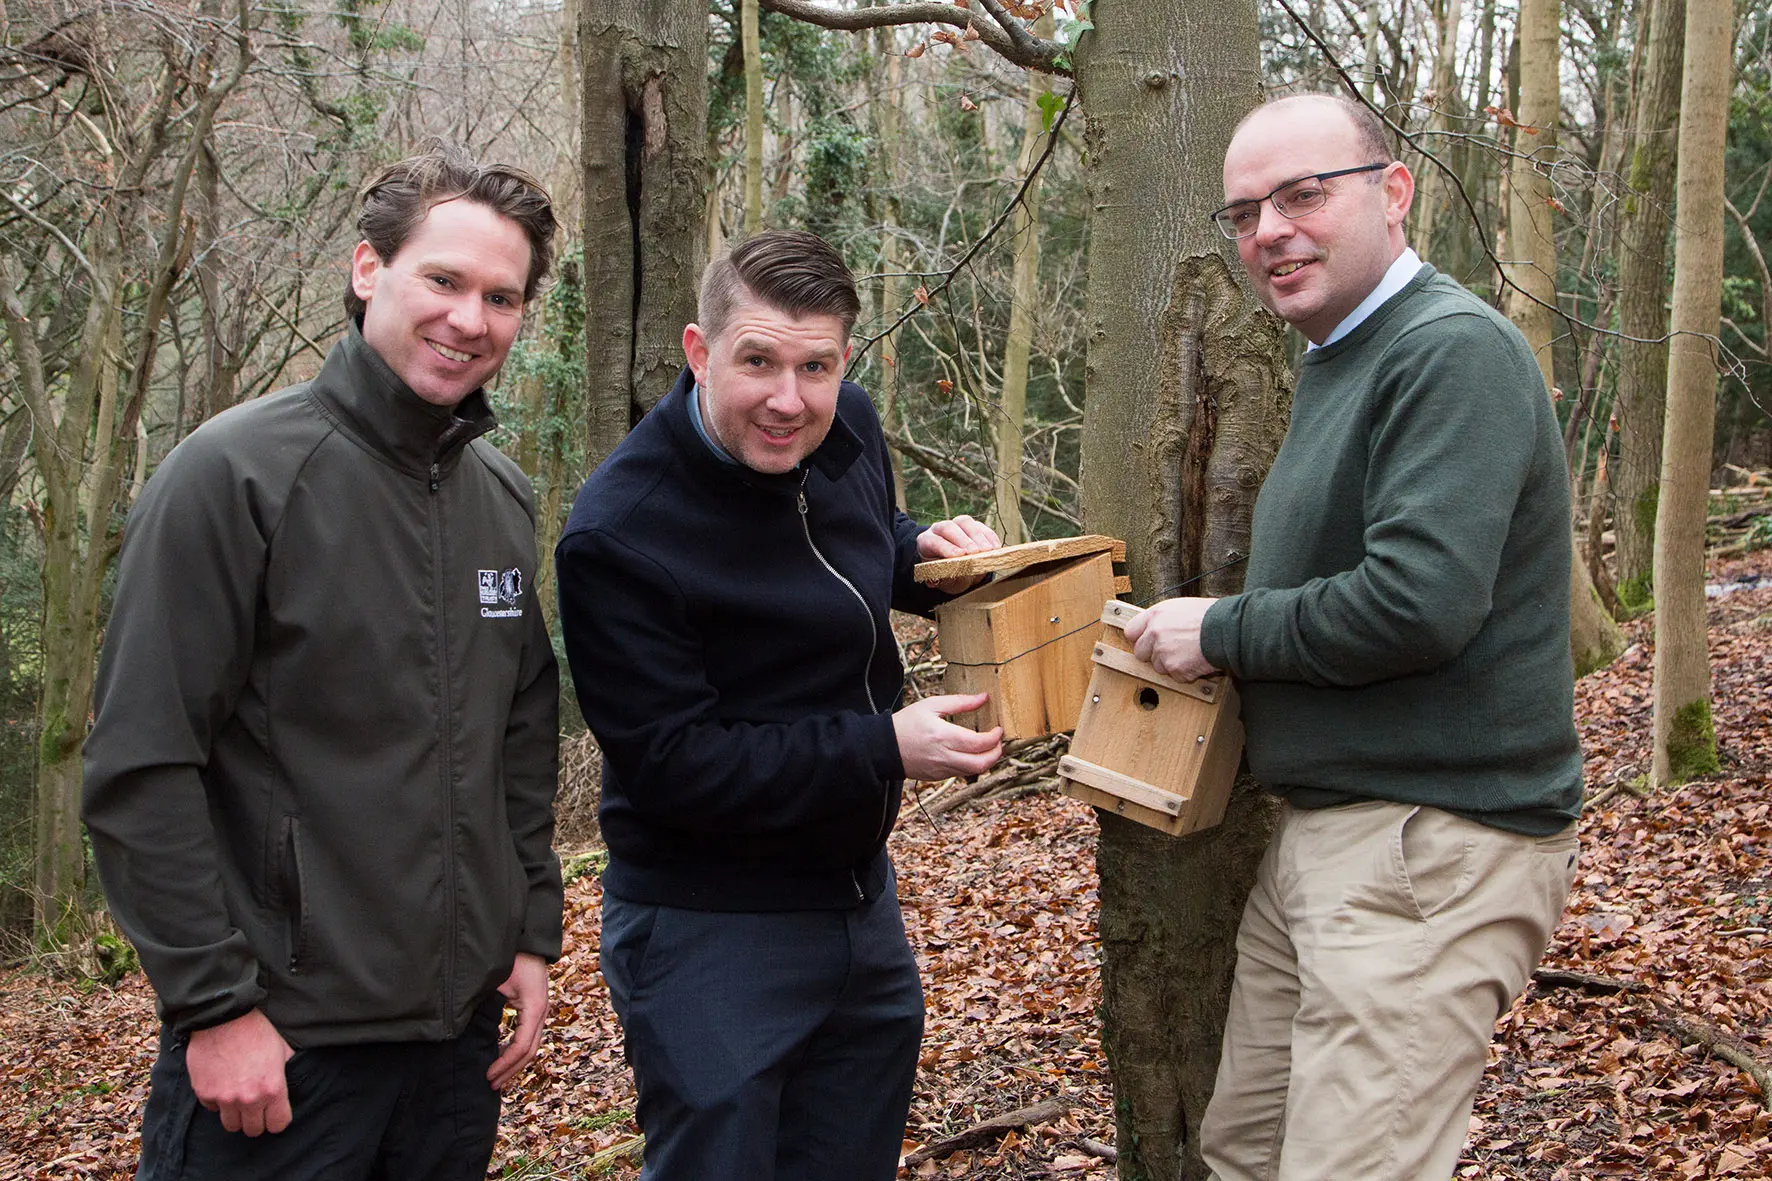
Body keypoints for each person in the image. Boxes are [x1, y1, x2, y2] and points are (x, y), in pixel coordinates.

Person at [82, 142, 564, 1181]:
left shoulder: (501, 498)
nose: (469, 319)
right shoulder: (234, 473)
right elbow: (141, 759)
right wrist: (214, 1008)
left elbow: (517, 736)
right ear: (366, 270)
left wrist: (528, 933)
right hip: (280, 1050)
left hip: (451, 1056)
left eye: (500, 296)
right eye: (442, 280)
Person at [1124, 93, 1583, 1180]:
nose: (1268, 231)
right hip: (1335, 837)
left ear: (1392, 190)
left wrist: (1223, 631)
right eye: (1244, 212)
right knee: (1247, 1151)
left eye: (1300, 195)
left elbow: (1419, 600)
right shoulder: (1343, 353)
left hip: (1430, 841)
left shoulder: (1447, 351)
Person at [555, 228, 1005, 1180]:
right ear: (698, 350)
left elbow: (857, 540)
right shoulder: (621, 533)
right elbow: (678, 766)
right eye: (757, 361)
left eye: (818, 365)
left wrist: (927, 558)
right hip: (708, 927)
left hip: (857, 903)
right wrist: (885, 747)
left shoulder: (847, 429)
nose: (787, 400)